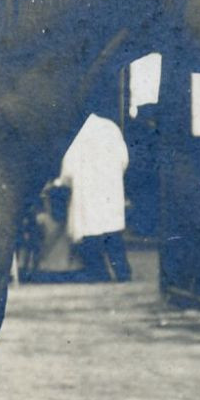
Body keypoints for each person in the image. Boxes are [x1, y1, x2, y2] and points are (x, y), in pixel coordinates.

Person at [59, 113, 134, 282]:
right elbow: (124, 159)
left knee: (91, 234)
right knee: (113, 234)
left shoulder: (78, 134)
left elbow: (68, 169)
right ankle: (123, 273)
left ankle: (99, 274)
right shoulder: (110, 128)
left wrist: (63, 181)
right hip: (110, 189)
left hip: (88, 192)